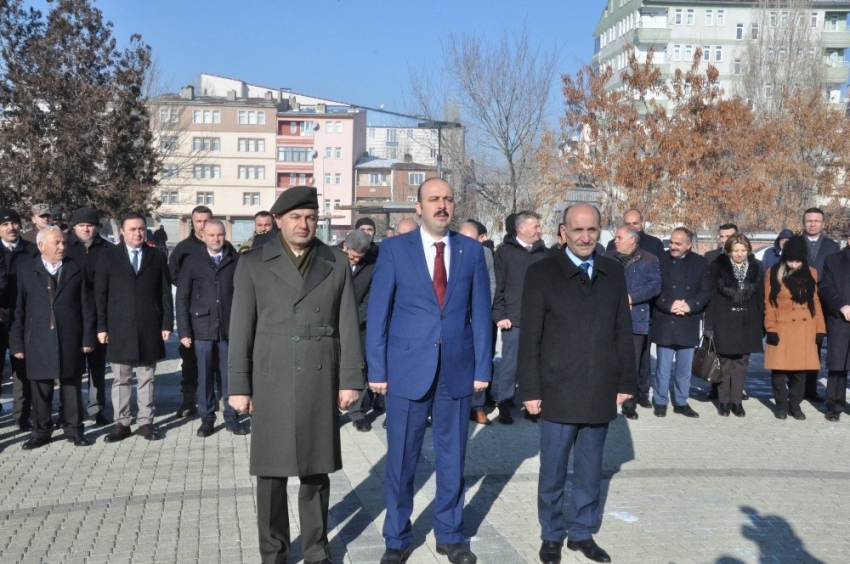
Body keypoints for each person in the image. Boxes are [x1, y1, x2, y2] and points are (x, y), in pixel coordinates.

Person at [228, 186, 364, 564]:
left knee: (315, 471)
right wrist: (239, 386)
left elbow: (348, 324)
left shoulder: (335, 261)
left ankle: (317, 550)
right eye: (295, 218)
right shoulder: (253, 262)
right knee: (271, 475)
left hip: (319, 377)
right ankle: (273, 552)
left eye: (310, 217)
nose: (304, 224)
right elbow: (240, 329)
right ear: (279, 221)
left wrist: (351, 378)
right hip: (270, 375)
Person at [367, 177, 492, 564]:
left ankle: (451, 535)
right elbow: (378, 314)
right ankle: (397, 536)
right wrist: (377, 368)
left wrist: (483, 368)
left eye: (448, 199)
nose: (442, 206)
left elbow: (482, 315)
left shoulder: (471, 251)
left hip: (457, 368)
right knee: (402, 458)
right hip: (406, 368)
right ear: (417, 207)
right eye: (433, 199)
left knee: (453, 456)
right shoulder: (393, 250)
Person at [519, 203, 636, 564]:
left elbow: (622, 330)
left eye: (592, 230)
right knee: (553, 470)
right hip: (556, 388)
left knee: (589, 468)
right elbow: (530, 338)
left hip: (600, 387)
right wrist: (531, 390)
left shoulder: (612, 272)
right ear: (563, 232)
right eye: (578, 230)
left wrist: (626, 381)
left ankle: (581, 532)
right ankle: (552, 535)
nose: (585, 237)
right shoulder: (541, 273)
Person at [11, 226, 96, 449]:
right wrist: (17, 343)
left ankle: (74, 429)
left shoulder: (75, 268)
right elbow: (18, 310)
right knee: (40, 388)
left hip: (70, 337)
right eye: (57, 243)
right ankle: (41, 431)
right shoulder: (27, 270)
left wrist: (88, 338)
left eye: (64, 243)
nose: (62, 247)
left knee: (71, 386)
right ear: (41, 246)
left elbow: (87, 308)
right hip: (37, 339)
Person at [95, 212, 173, 442]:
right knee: (121, 378)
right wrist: (101, 327)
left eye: (141, 229)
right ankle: (122, 422)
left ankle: (146, 422)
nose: (138, 233)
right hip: (118, 328)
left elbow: (165, 293)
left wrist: (166, 322)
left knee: (147, 377)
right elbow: (100, 294)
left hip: (149, 326)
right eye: (132, 229)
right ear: (122, 231)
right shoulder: (108, 257)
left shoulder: (156, 256)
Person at [175, 220, 245, 437]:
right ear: (203, 236)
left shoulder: (235, 260)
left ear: (225, 235)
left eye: (220, 235)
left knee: (229, 376)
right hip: (202, 327)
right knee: (204, 375)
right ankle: (207, 418)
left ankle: (232, 417)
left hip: (229, 327)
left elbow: (245, 295)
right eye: (211, 235)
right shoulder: (192, 262)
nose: (216, 239)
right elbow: (182, 298)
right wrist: (184, 331)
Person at [492, 210, 547, 424]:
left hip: (538, 319)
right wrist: (500, 315)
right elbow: (498, 287)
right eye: (536, 227)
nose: (539, 230)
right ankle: (504, 403)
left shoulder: (544, 252)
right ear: (521, 229)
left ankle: (531, 404)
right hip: (512, 320)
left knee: (534, 364)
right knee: (510, 365)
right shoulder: (504, 253)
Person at [651, 227, 712, 418]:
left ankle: (680, 401)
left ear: (689, 245)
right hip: (665, 318)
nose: (673, 246)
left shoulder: (700, 263)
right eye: (671, 242)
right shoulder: (659, 260)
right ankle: (660, 401)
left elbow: (705, 291)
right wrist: (669, 304)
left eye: (678, 243)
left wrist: (690, 305)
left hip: (688, 320)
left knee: (684, 368)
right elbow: (654, 287)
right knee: (662, 367)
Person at [763, 235, 825, 420]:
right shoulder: (773, 272)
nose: (794, 265)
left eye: (798, 261)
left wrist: (820, 328)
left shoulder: (811, 272)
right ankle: (781, 405)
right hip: (782, 327)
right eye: (790, 260)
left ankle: (795, 405)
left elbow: (815, 301)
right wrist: (770, 328)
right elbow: (769, 302)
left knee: (800, 372)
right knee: (779, 370)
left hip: (805, 329)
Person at [605, 225, 662, 420]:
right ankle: (606, 400)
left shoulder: (649, 259)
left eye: (619, 237)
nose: (615, 240)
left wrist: (631, 297)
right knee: (609, 361)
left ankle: (630, 404)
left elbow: (654, 286)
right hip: (608, 319)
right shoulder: (607, 257)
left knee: (632, 363)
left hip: (636, 319)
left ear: (632, 240)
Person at [703, 234, 764, 417]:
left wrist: (761, 323)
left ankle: (737, 401)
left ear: (748, 251)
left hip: (748, 321)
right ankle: (724, 401)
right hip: (724, 320)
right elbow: (711, 297)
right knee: (725, 363)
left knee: (741, 363)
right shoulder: (717, 267)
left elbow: (760, 297)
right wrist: (709, 325)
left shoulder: (756, 267)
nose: (739, 254)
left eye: (743, 250)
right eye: (736, 250)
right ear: (729, 251)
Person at [64, 207, 114, 425]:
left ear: (97, 227)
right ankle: (68, 411)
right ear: (74, 226)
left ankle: (96, 408)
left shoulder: (108, 249)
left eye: (90, 225)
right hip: (71, 315)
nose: (86, 229)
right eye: (81, 225)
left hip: (100, 315)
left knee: (97, 367)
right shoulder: (65, 247)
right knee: (71, 368)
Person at [168, 205, 213, 417]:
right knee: (190, 359)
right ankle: (188, 400)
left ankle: (221, 398)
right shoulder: (183, 249)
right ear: (192, 222)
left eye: (206, 220)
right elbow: (174, 275)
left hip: (217, 314)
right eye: (198, 221)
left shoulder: (223, 244)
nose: (202, 225)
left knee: (219, 358)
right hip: (193, 314)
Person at [0, 207, 40, 431]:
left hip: (23, 319)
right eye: (5, 224)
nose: (10, 228)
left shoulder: (31, 250)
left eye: (14, 223)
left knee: (23, 370)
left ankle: (22, 415)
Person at [340, 228, 380, 432]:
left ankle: (358, 413)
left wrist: (352, 320)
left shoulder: (372, 264)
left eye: (359, 257)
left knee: (359, 367)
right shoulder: (330, 257)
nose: (355, 260)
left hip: (358, 323)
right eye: (352, 256)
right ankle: (329, 413)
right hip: (331, 321)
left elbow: (369, 298)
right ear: (344, 246)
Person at [459, 220, 496, 425]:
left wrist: (480, 309)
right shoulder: (450, 253)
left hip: (479, 316)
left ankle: (477, 406)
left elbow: (491, 284)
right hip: (457, 317)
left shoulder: (486, 254)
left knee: (481, 359)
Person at [801, 207, 840, 403]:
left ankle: (811, 388)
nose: (813, 224)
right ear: (804, 223)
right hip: (799, 302)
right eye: (809, 221)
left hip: (824, 303)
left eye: (817, 221)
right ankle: (797, 389)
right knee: (801, 345)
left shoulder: (832, 246)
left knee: (817, 346)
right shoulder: (796, 243)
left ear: (823, 224)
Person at [817, 233, 850, 421]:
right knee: (838, 365)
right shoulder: (834, 260)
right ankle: (834, 406)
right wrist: (841, 305)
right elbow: (826, 287)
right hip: (841, 319)